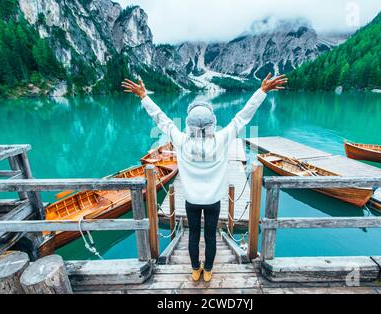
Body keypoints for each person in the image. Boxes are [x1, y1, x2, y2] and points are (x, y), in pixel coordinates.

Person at [122, 73, 287, 282]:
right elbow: (243, 116)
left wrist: (143, 96)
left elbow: (161, 118)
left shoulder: (181, 141)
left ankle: (194, 269)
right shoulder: (221, 140)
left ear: (189, 123)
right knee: (210, 237)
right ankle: (208, 270)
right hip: (213, 201)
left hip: (191, 200)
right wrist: (262, 91)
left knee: (193, 236)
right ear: (212, 122)